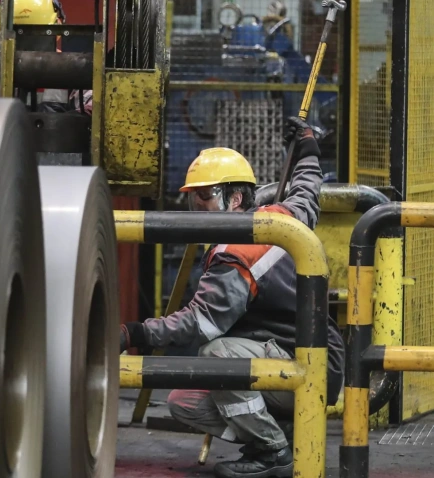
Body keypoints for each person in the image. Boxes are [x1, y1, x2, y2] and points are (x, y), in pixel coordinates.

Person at [120, 117, 345, 478]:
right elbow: (306, 191)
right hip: (288, 357)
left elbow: (200, 323)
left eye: (205, 197)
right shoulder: (281, 218)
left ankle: (275, 454)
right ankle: (280, 435)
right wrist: (307, 146)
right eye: (193, 199)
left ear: (235, 198)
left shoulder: (236, 254)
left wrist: (134, 333)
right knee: (185, 401)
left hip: (309, 365)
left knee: (216, 355)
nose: (197, 209)